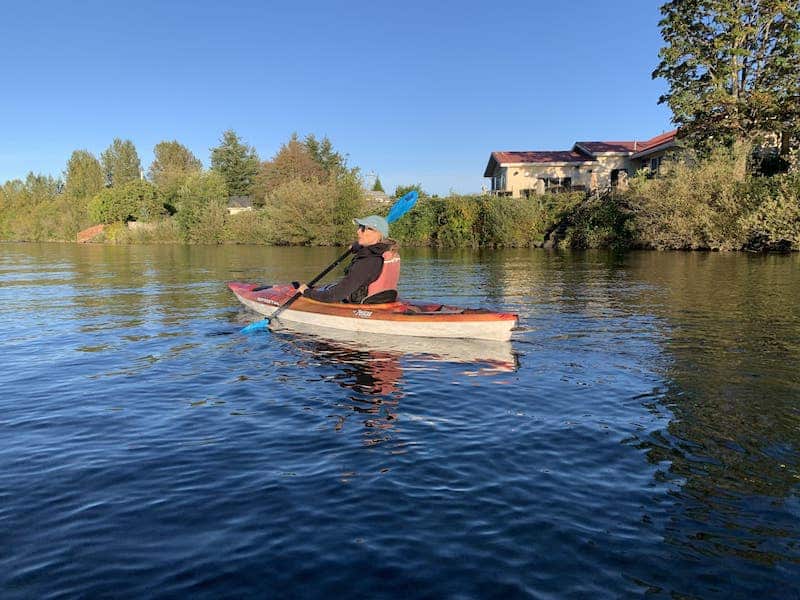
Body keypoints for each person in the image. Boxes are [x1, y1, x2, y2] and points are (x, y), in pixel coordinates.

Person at [297, 215, 400, 304]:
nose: (358, 231)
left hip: (362, 305)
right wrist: (360, 246)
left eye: (363, 228)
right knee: (329, 287)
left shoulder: (367, 262)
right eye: (360, 227)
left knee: (326, 290)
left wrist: (307, 292)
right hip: (382, 301)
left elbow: (334, 296)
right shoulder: (385, 252)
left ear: (377, 234)